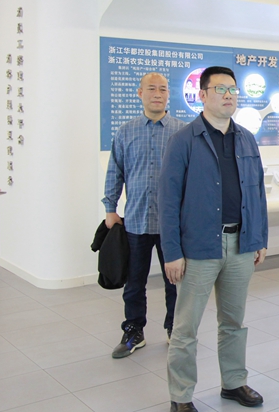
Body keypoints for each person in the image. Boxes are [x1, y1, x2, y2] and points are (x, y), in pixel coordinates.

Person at [159, 66, 268, 412]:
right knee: (185, 328)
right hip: (198, 248)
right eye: (221, 89)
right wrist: (172, 252)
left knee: (233, 322)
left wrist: (259, 238)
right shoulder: (183, 140)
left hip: (241, 244)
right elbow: (168, 200)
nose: (229, 95)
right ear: (202, 95)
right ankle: (181, 396)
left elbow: (257, 193)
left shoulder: (246, 138)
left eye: (233, 89)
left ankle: (234, 382)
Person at [102, 72, 186, 359]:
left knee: (175, 282)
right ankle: (133, 331)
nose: (157, 94)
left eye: (163, 89)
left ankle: (175, 328)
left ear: (168, 94)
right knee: (134, 283)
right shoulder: (126, 131)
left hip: (172, 225)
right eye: (151, 88)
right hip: (136, 222)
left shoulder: (181, 132)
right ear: (140, 93)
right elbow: (115, 172)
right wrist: (110, 208)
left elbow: (193, 178)